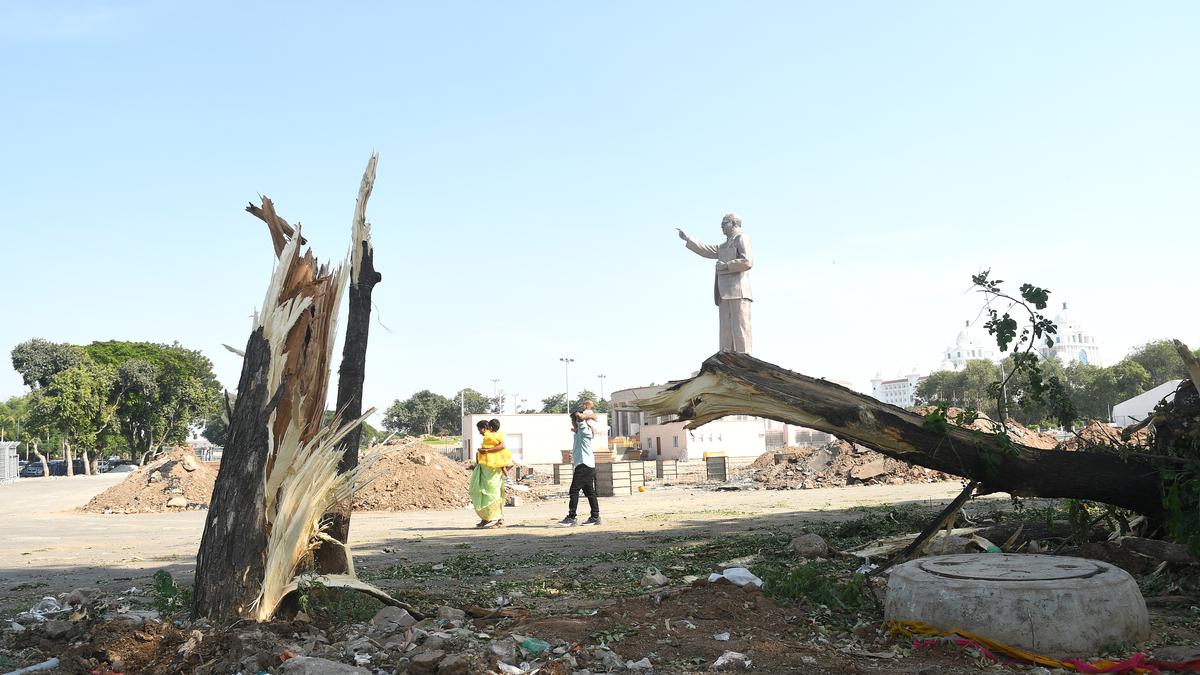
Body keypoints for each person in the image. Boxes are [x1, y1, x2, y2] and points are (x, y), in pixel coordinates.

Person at [676, 213, 754, 354]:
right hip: (723, 293)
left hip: (739, 291)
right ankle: (726, 360)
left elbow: (747, 261)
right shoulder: (724, 245)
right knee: (725, 329)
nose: (722, 226)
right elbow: (705, 250)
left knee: (740, 328)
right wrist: (688, 238)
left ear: (734, 223)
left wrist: (726, 266)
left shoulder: (742, 238)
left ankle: (744, 361)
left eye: (725, 223)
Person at [558, 400, 601, 527]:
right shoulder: (579, 432)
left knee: (574, 490)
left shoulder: (584, 430)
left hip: (584, 466)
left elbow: (581, 418)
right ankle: (595, 517)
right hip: (586, 465)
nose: (572, 424)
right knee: (589, 492)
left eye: (572, 421)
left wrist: (582, 414)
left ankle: (572, 518)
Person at [470, 418, 508, 528]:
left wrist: (486, 451)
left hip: (493, 472)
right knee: (481, 493)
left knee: (494, 494)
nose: (479, 432)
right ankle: (486, 518)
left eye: (480, 429)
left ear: (486, 428)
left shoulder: (495, 437)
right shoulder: (488, 439)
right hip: (484, 470)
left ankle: (500, 520)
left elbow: (502, 447)